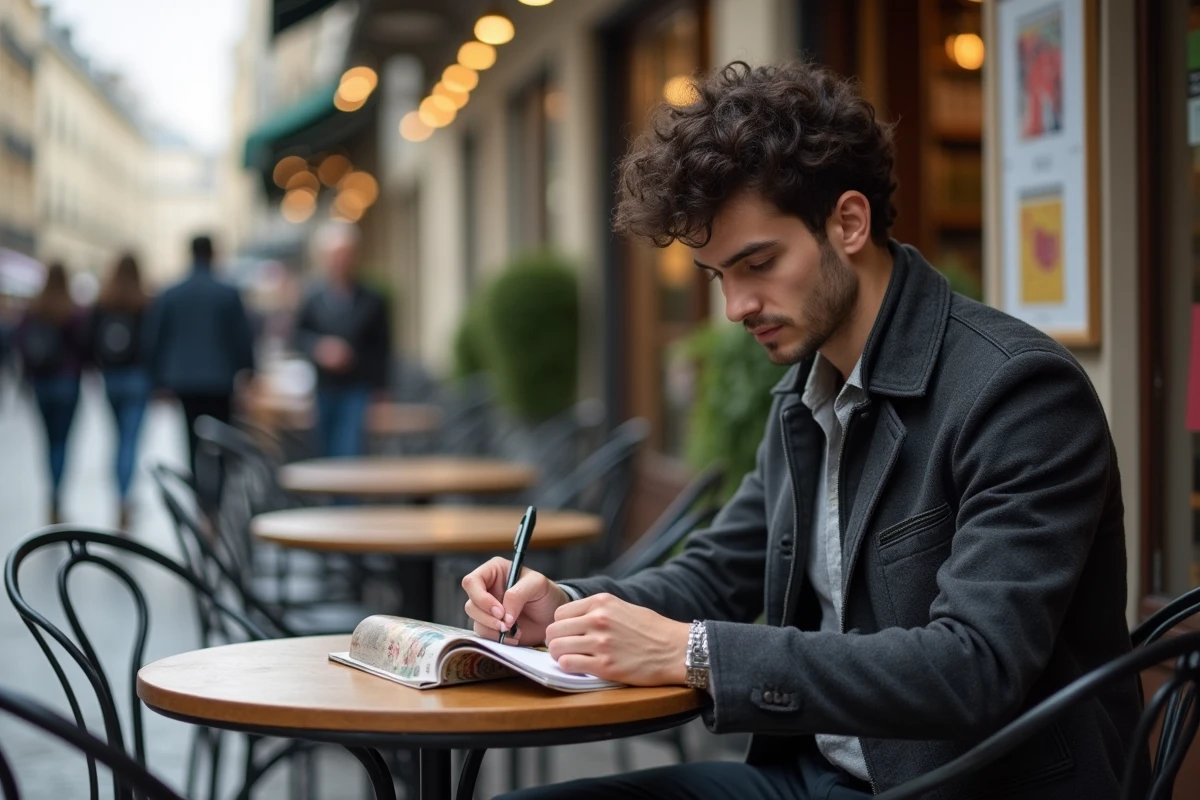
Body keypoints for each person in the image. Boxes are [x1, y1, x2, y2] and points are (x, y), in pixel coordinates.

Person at [461, 61, 1144, 800]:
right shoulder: (806, 394)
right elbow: (717, 574)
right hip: (815, 777)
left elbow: (973, 666)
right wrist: (566, 604)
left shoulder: (1017, 391)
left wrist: (691, 653)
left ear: (848, 223)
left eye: (758, 263)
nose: (736, 305)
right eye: (718, 274)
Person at [144, 235, 255, 505]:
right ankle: (216, 499)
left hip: (184, 380)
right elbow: (243, 338)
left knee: (191, 441)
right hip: (220, 379)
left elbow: (154, 339)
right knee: (220, 440)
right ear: (212, 253)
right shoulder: (227, 291)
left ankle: (200, 502)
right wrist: (248, 372)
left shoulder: (172, 292)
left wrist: (157, 380)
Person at [292, 222, 391, 457]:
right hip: (324, 388)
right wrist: (319, 348)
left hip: (358, 388)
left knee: (349, 449)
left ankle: (348, 496)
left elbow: (383, 346)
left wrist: (382, 389)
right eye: (335, 255)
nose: (341, 261)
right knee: (323, 451)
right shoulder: (313, 297)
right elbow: (298, 337)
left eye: (346, 254)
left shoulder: (372, 298)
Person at [13, 263, 86, 523]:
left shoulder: (34, 309)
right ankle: (57, 495)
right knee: (61, 443)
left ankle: (52, 498)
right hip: (67, 382)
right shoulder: (73, 311)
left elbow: (20, 342)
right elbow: (84, 346)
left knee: (48, 441)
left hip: (42, 383)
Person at [91, 253, 153, 529]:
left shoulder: (104, 301)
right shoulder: (145, 302)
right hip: (138, 378)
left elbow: (90, 339)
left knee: (118, 440)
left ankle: (120, 496)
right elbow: (153, 341)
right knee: (129, 441)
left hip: (112, 378)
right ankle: (125, 499)